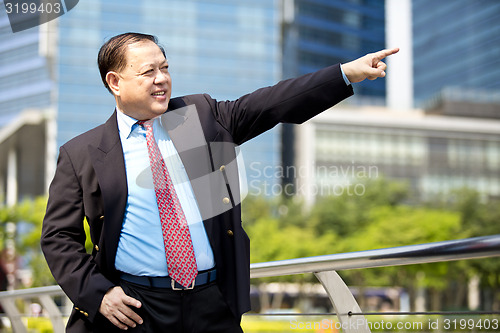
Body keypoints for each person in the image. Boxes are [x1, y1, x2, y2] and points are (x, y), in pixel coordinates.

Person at [41, 32, 398, 332]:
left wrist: (345, 73)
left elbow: (270, 103)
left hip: (212, 304)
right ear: (115, 82)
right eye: (148, 71)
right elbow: (59, 237)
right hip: (134, 307)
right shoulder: (82, 153)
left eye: (165, 68)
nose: (162, 78)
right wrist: (98, 293)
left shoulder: (198, 116)